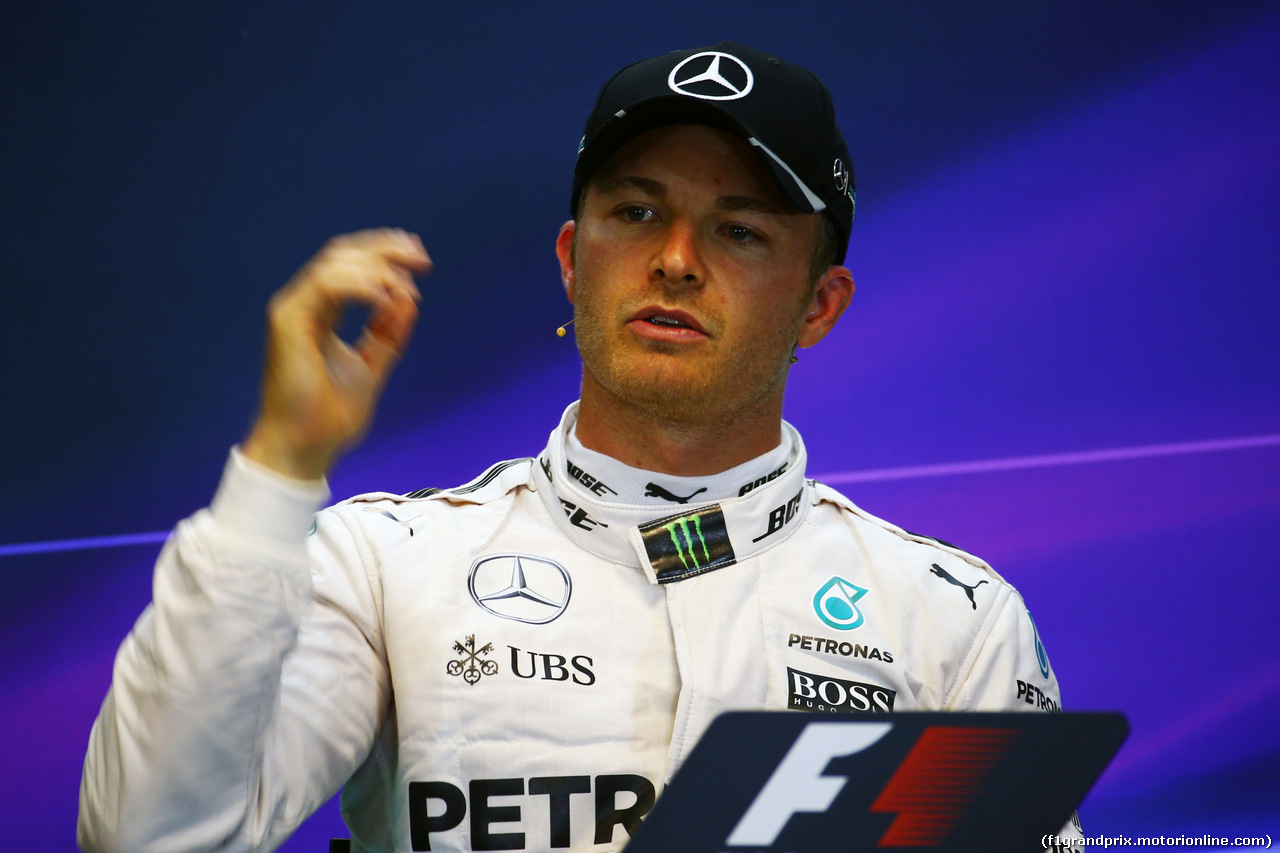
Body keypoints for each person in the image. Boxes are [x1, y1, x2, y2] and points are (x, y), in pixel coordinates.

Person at [78, 43, 1074, 852]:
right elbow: (148, 838)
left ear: (818, 305)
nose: (675, 260)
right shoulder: (384, 569)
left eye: (738, 231)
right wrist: (277, 468)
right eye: (635, 213)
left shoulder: (953, 622)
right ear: (570, 259)